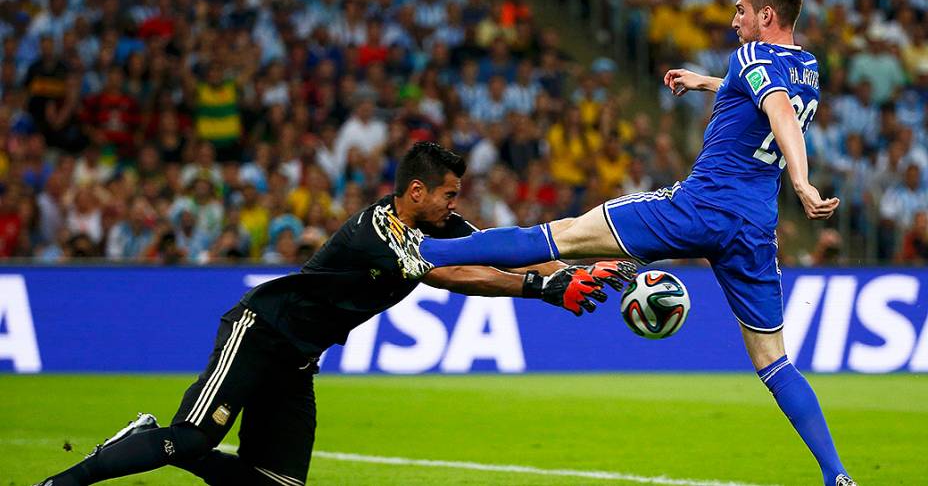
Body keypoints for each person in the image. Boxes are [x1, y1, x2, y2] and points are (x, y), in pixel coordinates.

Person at [374, 0, 855, 486]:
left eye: (741, 10)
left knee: (561, 237)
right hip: (753, 228)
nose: (734, 20)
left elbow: (773, 104)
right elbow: (770, 93)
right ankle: (837, 476)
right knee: (773, 361)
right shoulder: (806, 67)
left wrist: (802, 183)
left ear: (767, 15)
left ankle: (421, 251)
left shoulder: (753, 56)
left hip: (698, 208)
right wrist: (706, 82)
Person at [36, 142, 631, 486]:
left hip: (295, 358)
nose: (457, 206)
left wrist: (579, 271)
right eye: (449, 194)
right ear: (417, 192)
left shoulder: (437, 224)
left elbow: (497, 251)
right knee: (193, 437)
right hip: (262, 331)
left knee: (279, 484)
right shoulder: (376, 232)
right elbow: (448, 274)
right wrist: (537, 290)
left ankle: (145, 439)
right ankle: (62, 482)